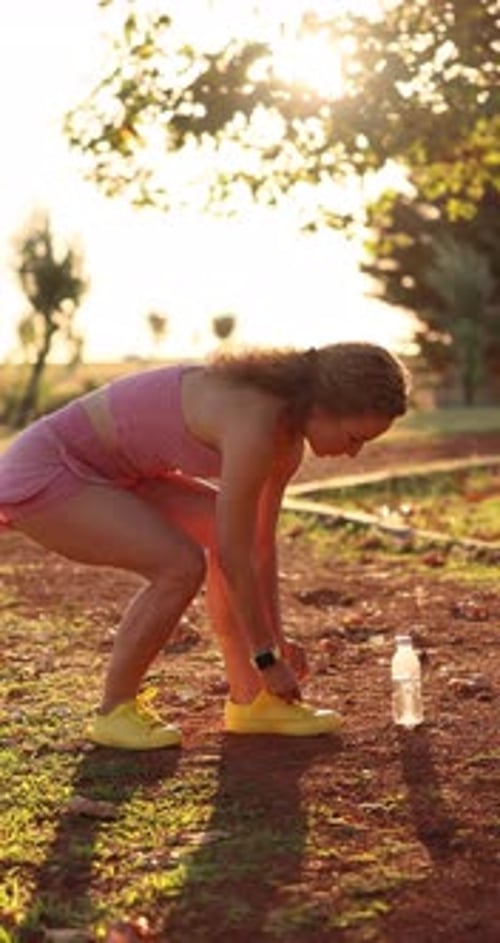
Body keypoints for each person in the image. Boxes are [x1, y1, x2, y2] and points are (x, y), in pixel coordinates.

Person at [0, 341, 410, 749]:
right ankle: (114, 711)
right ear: (322, 407)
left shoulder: (286, 442)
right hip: (53, 468)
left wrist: (275, 644)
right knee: (179, 565)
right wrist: (266, 656)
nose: (355, 453)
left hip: (119, 473)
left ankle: (253, 702)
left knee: (230, 533)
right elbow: (234, 559)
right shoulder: (255, 423)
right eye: (354, 437)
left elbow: (257, 548)